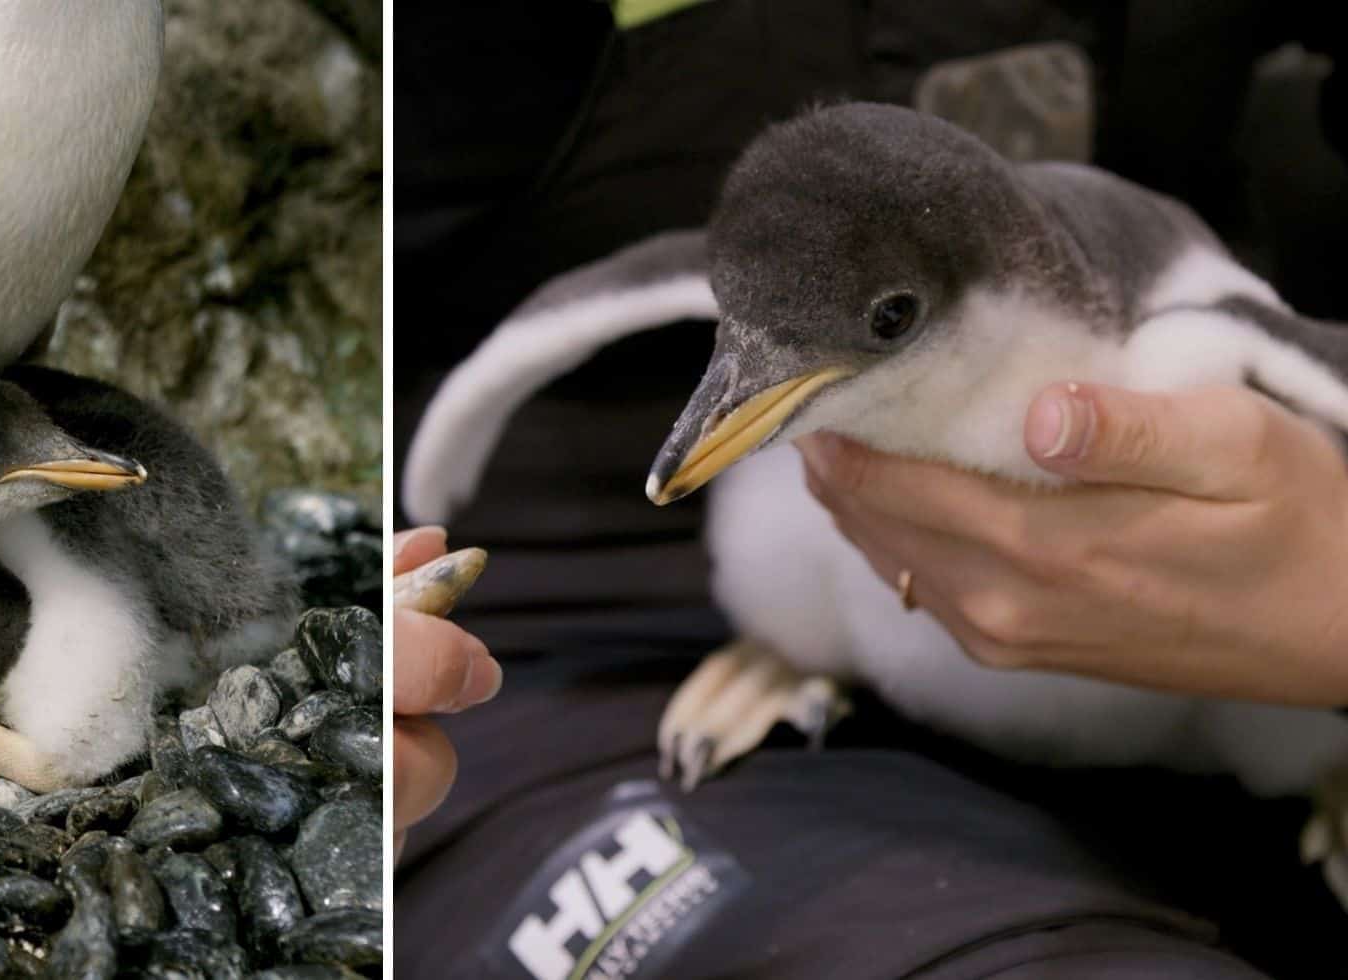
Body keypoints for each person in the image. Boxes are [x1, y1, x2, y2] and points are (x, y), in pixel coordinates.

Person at [393, 1, 1348, 977]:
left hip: (1258, 626)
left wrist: (1332, 609)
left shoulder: (1173, 344)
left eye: (891, 318)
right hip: (611, 630)